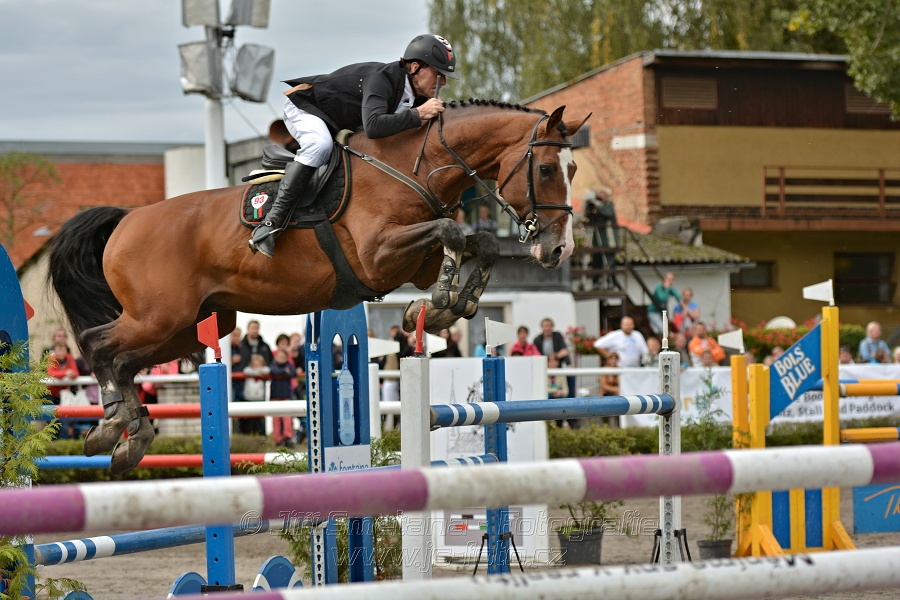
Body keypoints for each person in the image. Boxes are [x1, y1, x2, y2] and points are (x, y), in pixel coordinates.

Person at [248, 33, 457, 258]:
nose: (443, 83)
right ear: (415, 67)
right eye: (438, 75)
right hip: (306, 106)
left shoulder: (417, 96)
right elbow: (374, 127)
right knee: (320, 145)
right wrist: (418, 114)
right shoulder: (383, 79)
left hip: (338, 120)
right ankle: (269, 225)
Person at [269, 348, 297, 447]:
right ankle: (277, 439)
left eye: (283, 357)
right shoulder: (274, 365)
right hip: (275, 396)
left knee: (287, 418)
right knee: (276, 419)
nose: (281, 359)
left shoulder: (289, 365)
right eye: (279, 356)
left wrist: (283, 372)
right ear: (276, 357)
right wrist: (284, 371)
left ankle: (288, 437)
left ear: (286, 358)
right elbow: (273, 371)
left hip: (286, 396)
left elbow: (293, 373)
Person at [240, 354, 270, 436]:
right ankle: (250, 435)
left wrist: (258, 372)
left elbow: (267, 370)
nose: (257, 366)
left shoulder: (264, 371)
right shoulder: (249, 371)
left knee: (260, 419)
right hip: (249, 398)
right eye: (255, 364)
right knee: (250, 420)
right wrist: (257, 373)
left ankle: (262, 436)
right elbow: (246, 370)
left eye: (259, 364)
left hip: (259, 398)